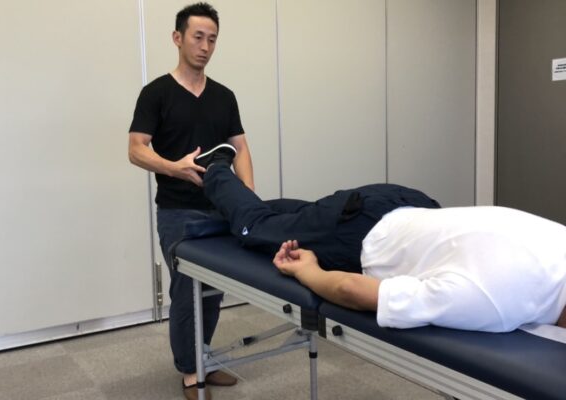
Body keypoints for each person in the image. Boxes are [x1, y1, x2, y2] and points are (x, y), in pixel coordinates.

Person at [198, 144, 566, 333]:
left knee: (299, 219)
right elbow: (351, 291)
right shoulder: (496, 302)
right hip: (356, 233)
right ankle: (214, 167)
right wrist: (307, 271)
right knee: (255, 228)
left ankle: (245, 207)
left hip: (407, 203)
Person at [128, 4, 253, 400]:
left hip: (220, 208)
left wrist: (248, 200)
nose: (205, 46)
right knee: (187, 290)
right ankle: (189, 369)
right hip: (177, 212)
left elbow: (241, 148)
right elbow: (135, 149)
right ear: (177, 38)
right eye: (198, 37)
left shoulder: (224, 96)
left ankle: (203, 357)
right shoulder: (156, 93)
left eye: (212, 39)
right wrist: (173, 167)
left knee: (214, 289)